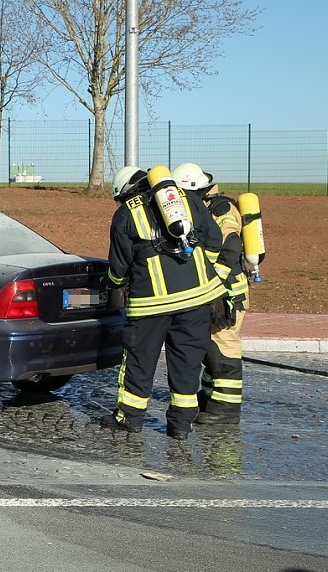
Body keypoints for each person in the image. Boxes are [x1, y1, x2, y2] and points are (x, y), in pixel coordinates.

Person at [101, 165, 229, 440]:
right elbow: (214, 242)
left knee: (139, 361)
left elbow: (119, 267)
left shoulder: (126, 213)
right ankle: (181, 426)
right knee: (187, 363)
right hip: (197, 301)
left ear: (124, 193)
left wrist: (112, 285)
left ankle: (129, 419)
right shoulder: (185, 199)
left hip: (150, 307)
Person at [173, 163, 248, 425]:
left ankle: (226, 410)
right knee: (209, 346)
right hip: (213, 290)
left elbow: (231, 244)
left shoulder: (222, 209)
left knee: (224, 347)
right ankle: (210, 398)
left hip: (228, 293)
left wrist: (216, 283)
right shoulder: (201, 208)